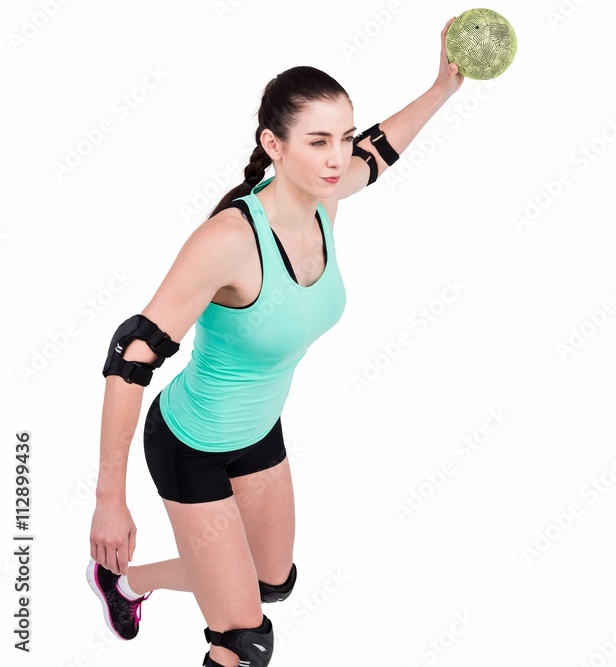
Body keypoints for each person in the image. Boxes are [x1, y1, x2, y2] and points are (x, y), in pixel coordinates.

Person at [87, 18, 465, 667]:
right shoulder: (230, 242)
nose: (336, 157)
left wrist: (442, 86)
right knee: (245, 638)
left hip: (258, 430)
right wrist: (109, 500)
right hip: (191, 444)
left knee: (271, 582)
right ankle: (141, 580)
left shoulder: (325, 196)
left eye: (341, 139)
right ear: (275, 143)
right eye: (318, 141)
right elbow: (131, 356)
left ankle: (127, 583)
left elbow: (379, 151)